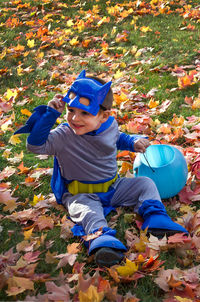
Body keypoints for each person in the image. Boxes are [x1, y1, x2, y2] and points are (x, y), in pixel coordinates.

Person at [15, 70, 188, 267]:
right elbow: (35, 146)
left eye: (84, 113)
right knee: (89, 213)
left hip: (113, 187)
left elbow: (117, 139)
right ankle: (102, 242)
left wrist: (132, 142)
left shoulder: (110, 126)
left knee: (145, 184)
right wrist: (49, 116)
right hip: (81, 194)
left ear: (104, 116)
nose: (74, 118)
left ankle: (156, 218)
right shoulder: (64, 135)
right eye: (70, 110)